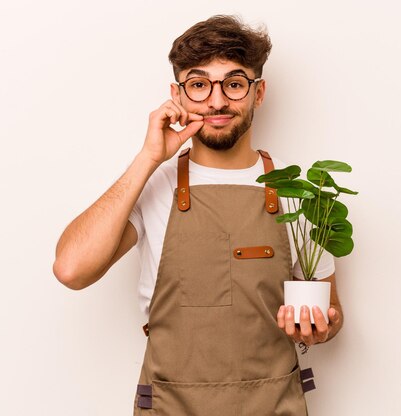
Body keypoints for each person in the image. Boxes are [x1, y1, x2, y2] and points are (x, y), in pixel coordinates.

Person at [53, 15, 343, 415]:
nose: (217, 100)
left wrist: (322, 327)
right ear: (178, 94)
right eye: (199, 84)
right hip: (172, 406)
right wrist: (149, 158)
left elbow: (334, 313)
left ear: (258, 93)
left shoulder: (299, 193)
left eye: (235, 83)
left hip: (274, 405)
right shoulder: (154, 184)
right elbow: (71, 269)